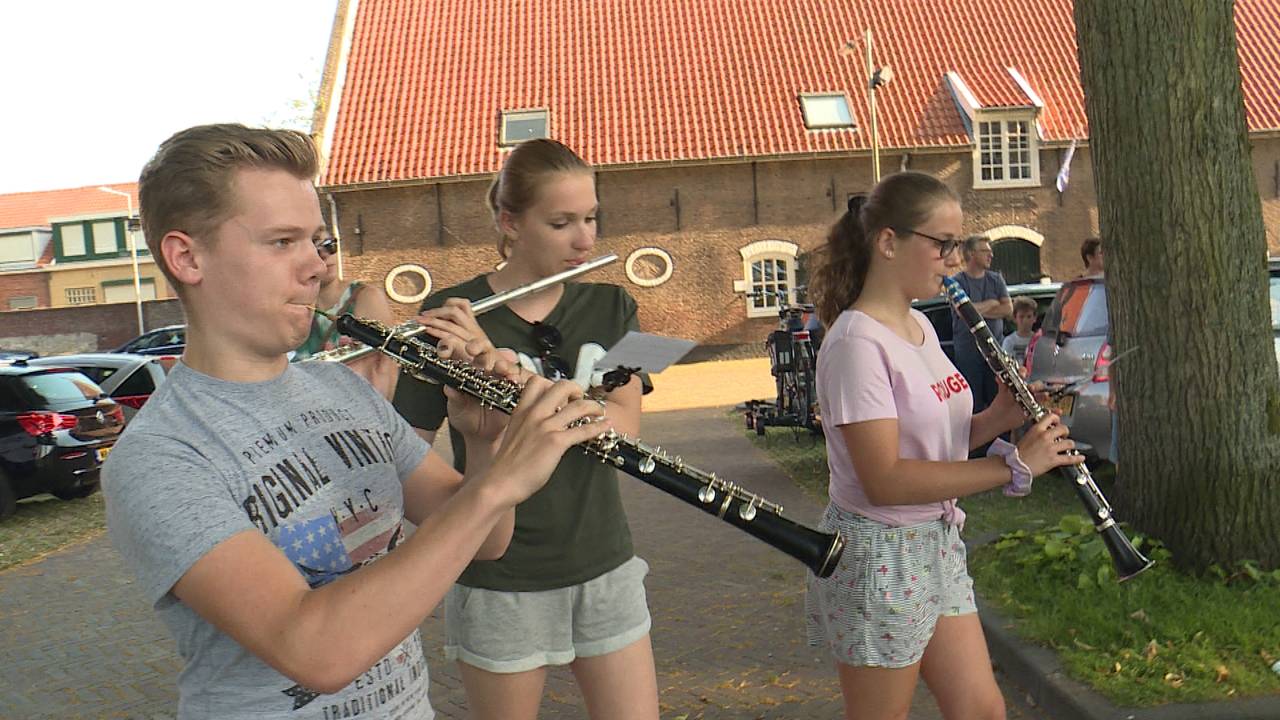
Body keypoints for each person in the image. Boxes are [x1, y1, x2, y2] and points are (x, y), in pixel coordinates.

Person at [102, 124, 611, 719]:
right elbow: (316, 650)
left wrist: (484, 443)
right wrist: (500, 484)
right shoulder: (161, 455)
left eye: (317, 241)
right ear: (187, 256)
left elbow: (487, 541)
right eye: (282, 241)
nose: (315, 267)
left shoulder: (341, 387)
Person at [392, 138, 657, 720]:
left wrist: (507, 378)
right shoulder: (451, 316)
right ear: (510, 222)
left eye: (590, 218)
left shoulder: (612, 307)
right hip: (499, 578)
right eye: (561, 222)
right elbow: (406, 454)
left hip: (603, 561)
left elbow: (623, 431)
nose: (585, 240)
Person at [803, 173, 1084, 720]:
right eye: (942, 244)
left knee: (982, 710)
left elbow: (939, 442)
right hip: (878, 555)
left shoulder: (917, 326)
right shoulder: (857, 344)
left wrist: (999, 417)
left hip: (934, 546)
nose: (953, 259)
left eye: (957, 244)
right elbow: (885, 479)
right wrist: (1013, 468)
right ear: (889, 242)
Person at [290, 233, 399, 399]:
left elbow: (387, 371)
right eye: (316, 250)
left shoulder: (366, 297)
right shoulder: (289, 307)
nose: (326, 255)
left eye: (330, 245)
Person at [950, 235, 1011, 414]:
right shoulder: (957, 283)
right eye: (985, 251)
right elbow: (963, 313)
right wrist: (992, 303)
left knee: (998, 406)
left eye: (991, 251)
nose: (990, 255)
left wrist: (975, 310)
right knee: (973, 407)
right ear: (971, 254)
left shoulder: (996, 279)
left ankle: (1000, 443)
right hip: (969, 356)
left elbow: (1008, 309)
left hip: (995, 355)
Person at [1001, 296, 1038, 364]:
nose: (1025, 320)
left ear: (1034, 318)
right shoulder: (1009, 341)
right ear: (1015, 318)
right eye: (1021, 317)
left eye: (1029, 316)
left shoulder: (1039, 340)